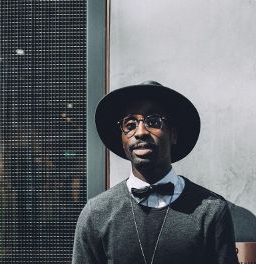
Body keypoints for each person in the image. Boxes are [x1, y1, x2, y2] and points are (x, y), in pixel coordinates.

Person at [72, 81, 238, 264]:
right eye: (130, 124)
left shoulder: (211, 211)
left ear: (173, 134)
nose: (140, 132)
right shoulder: (96, 213)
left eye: (153, 122)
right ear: (122, 139)